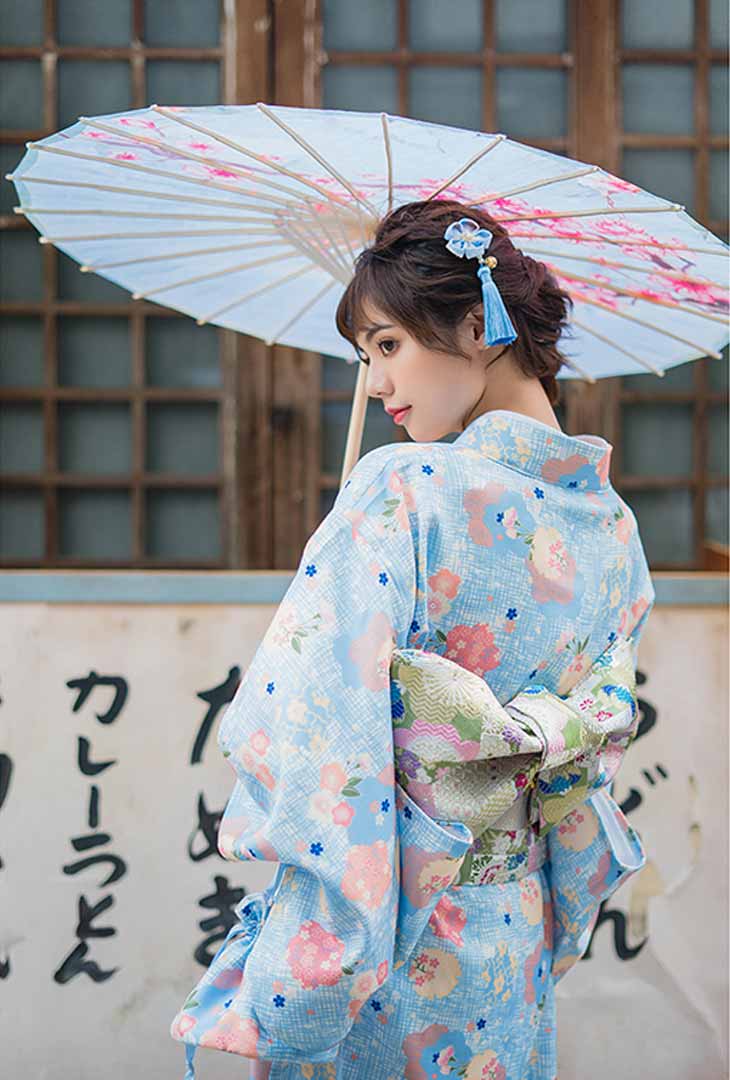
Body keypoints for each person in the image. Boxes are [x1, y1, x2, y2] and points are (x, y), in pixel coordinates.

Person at [170, 200, 655, 1079]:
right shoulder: (612, 523)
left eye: (388, 346)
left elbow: (321, 733)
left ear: (479, 324)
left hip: (393, 929)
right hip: (514, 934)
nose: (378, 385)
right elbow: (592, 737)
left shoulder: (403, 484)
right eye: (366, 358)